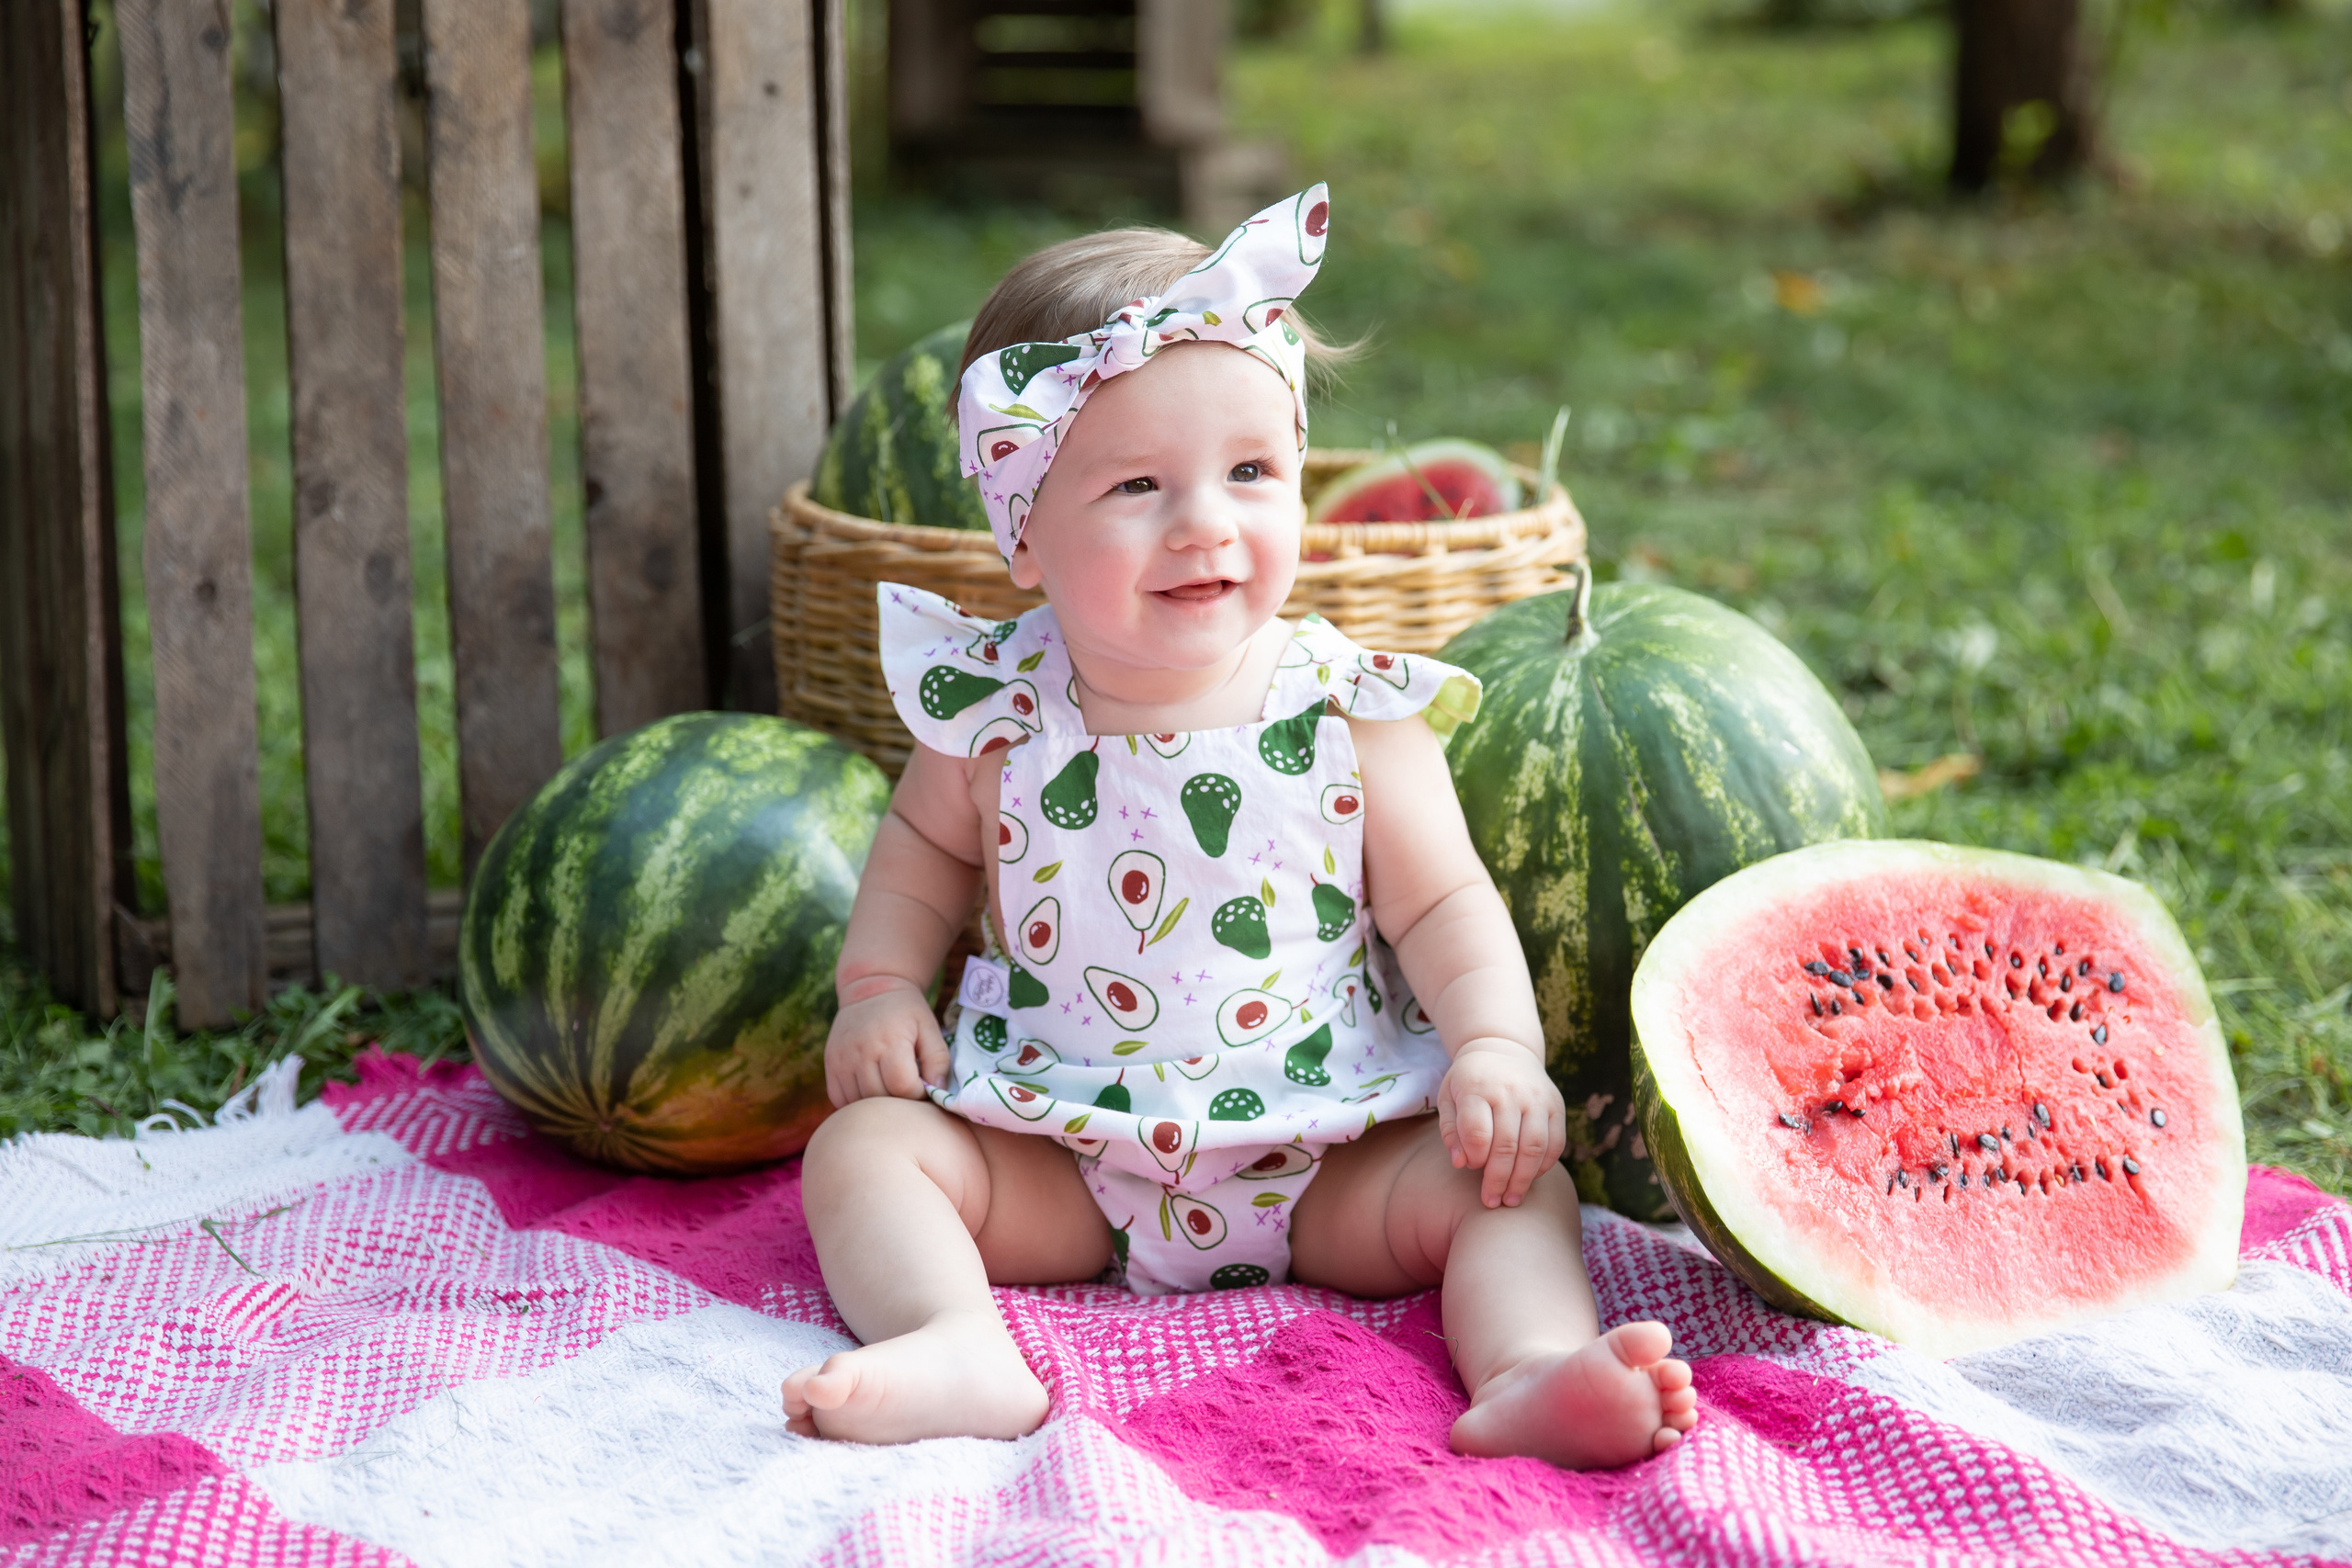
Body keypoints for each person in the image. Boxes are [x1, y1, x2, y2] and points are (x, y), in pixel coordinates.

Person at [783, 187, 1696, 1469]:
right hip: (1056, 1149)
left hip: (1327, 1152)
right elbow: (924, 856)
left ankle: (1530, 1367)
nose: (1206, 521)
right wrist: (878, 987)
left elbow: (1443, 903)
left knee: (1508, 1189)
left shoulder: (1349, 707)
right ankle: (954, 1339)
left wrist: (1495, 1047)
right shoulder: (995, 711)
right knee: (865, 1151)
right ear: (1023, 530)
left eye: (1251, 472)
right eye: (1138, 485)